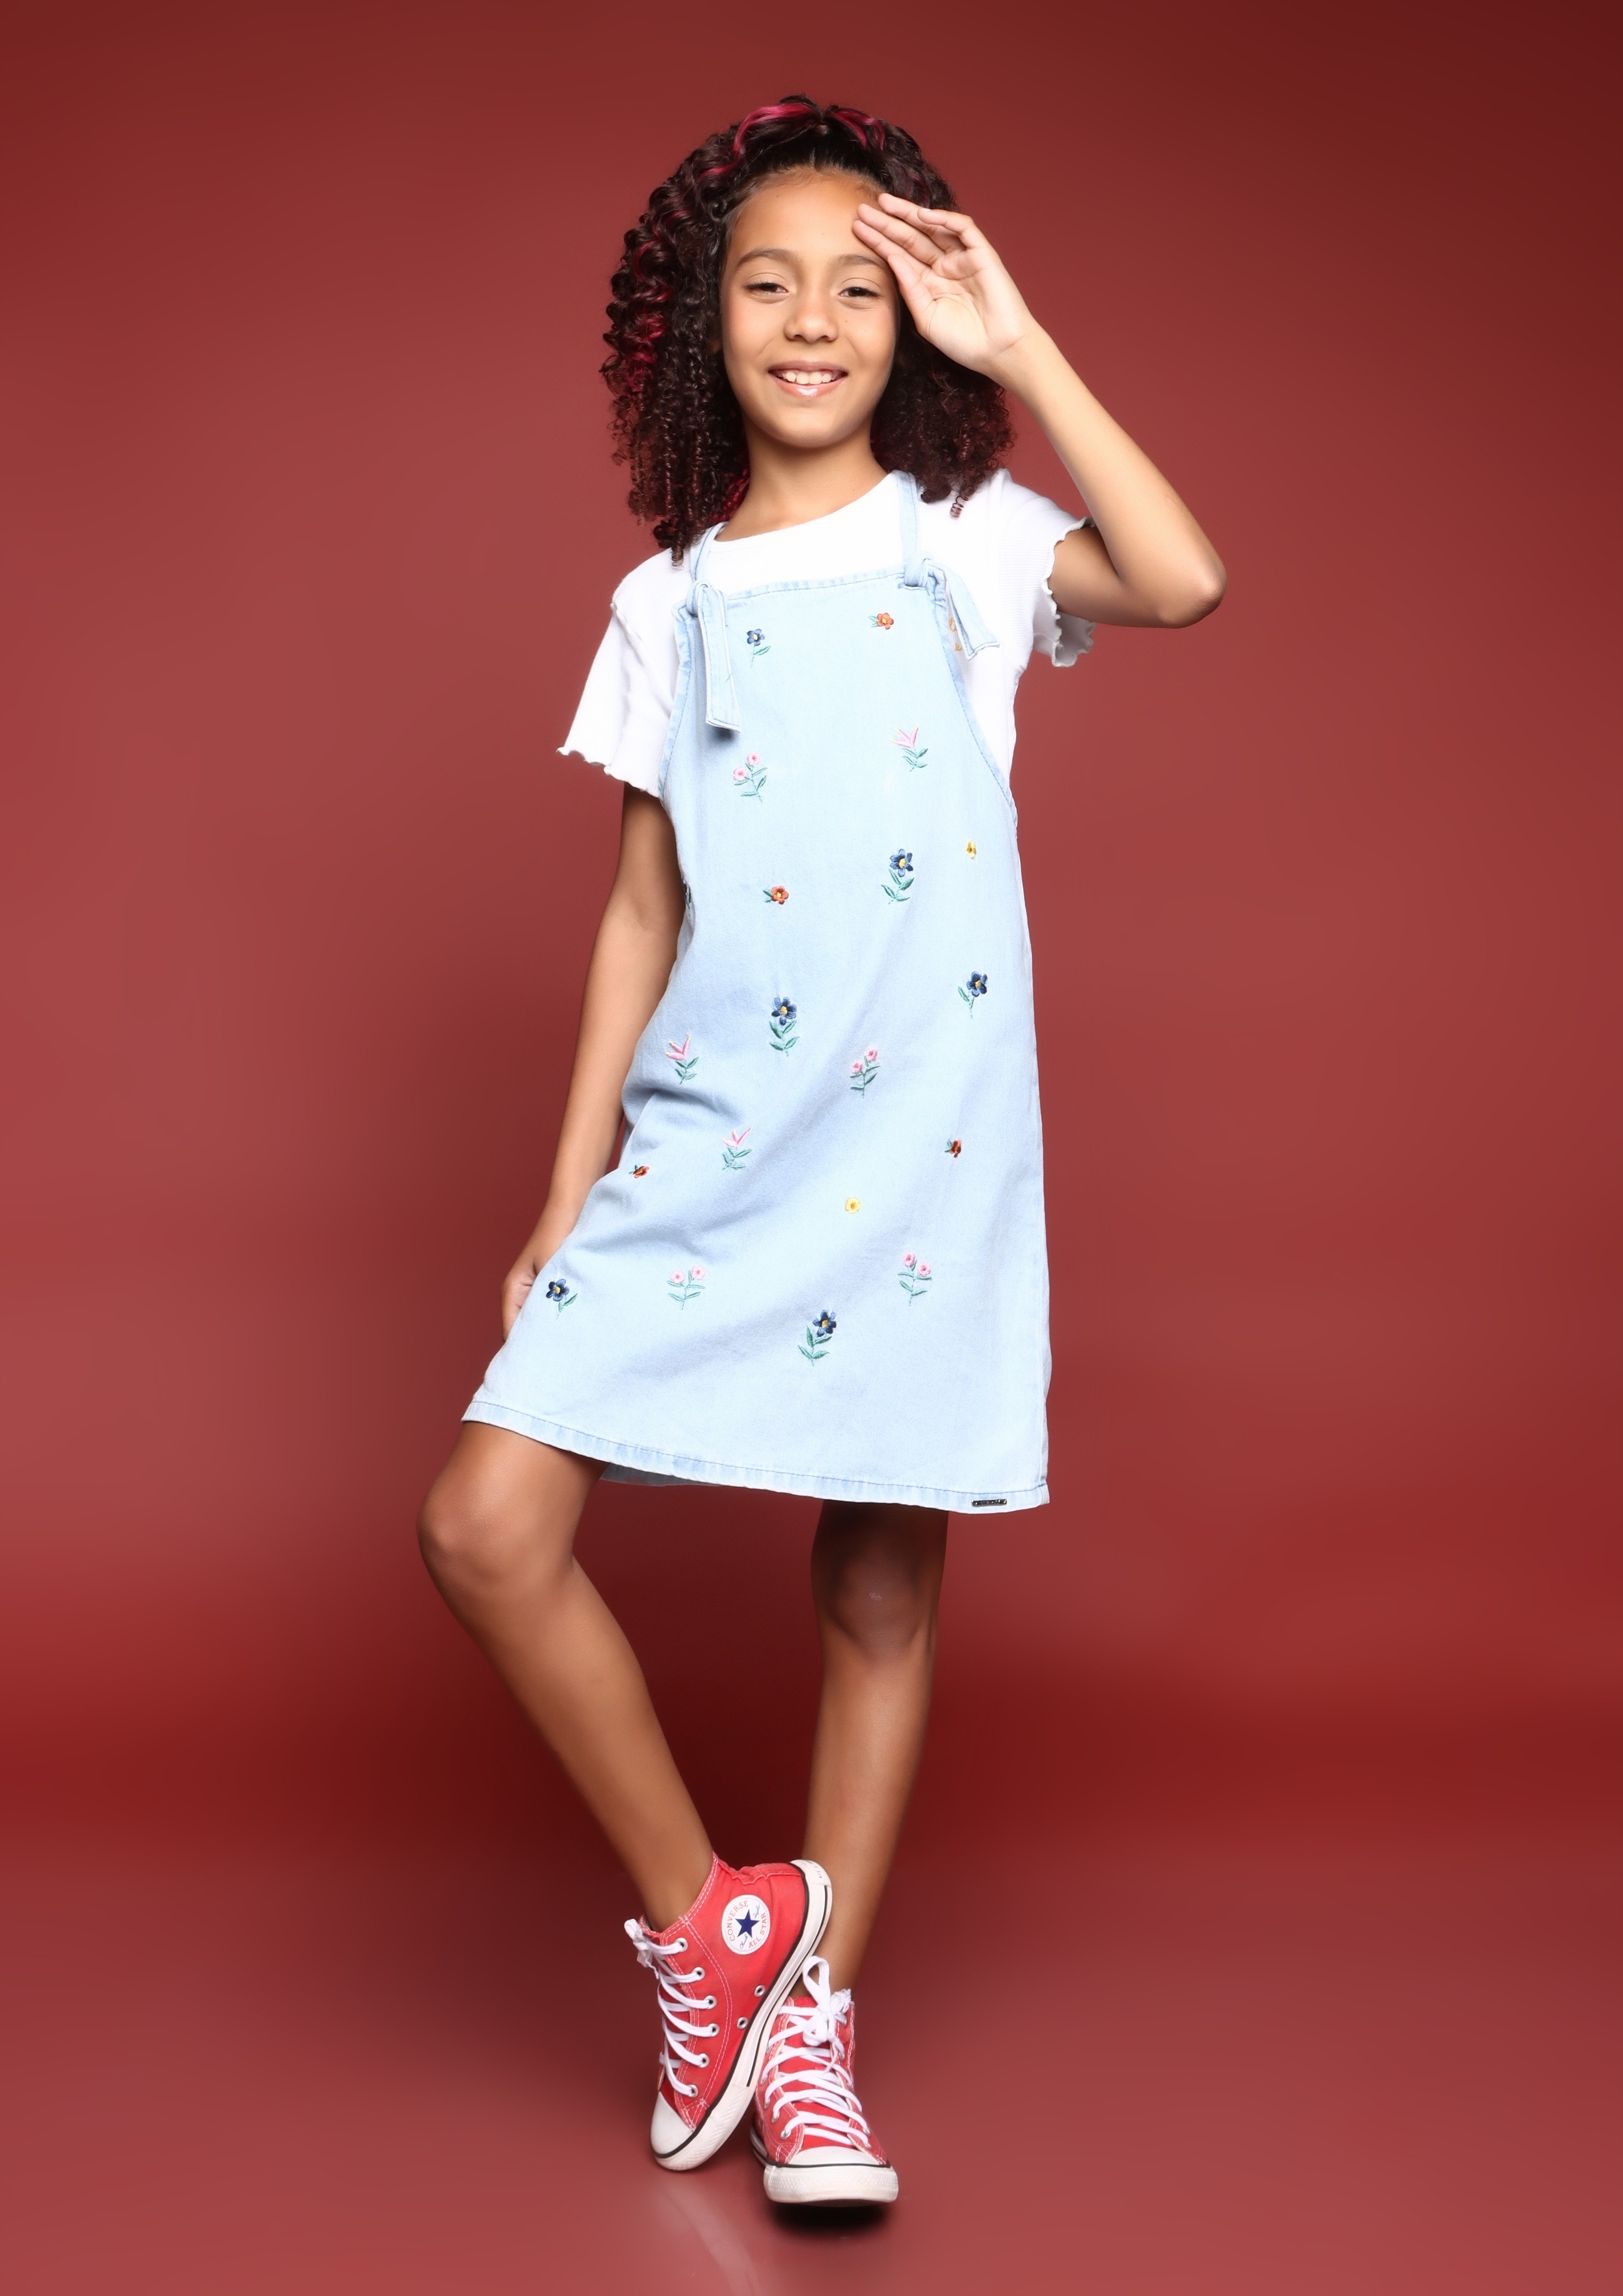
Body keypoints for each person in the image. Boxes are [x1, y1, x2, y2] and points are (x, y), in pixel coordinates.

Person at [417, 94, 1223, 2207]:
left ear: (911, 323)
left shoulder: (963, 545)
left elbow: (1182, 577)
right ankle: (720, 1932)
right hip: (713, 1135)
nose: (809, 322)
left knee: (875, 1575)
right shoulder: (665, 602)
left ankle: (813, 2049)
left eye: (857, 289)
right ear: (702, 325)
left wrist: (1021, 342)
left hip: (921, 1132)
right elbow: (638, 911)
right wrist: (562, 1194)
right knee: (486, 1524)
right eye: (766, 284)